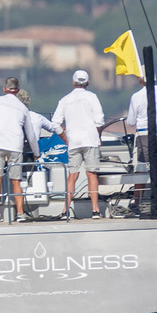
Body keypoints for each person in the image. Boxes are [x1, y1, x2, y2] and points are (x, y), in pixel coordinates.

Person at [53, 69, 109, 219]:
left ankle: (66, 210)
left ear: (73, 83)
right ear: (88, 83)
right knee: (91, 174)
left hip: (73, 142)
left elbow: (55, 123)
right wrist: (99, 136)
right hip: (90, 140)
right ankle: (95, 210)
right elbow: (99, 120)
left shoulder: (65, 100)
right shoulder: (92, 97)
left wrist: (65, 137)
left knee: (72, 175)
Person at [0, 76, 30, 221]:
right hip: (16, 145)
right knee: (16, 180)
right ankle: (20, 213)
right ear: (17, 90)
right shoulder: (22, 107)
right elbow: (30, 133)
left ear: (4, 88)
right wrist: (36, 152)